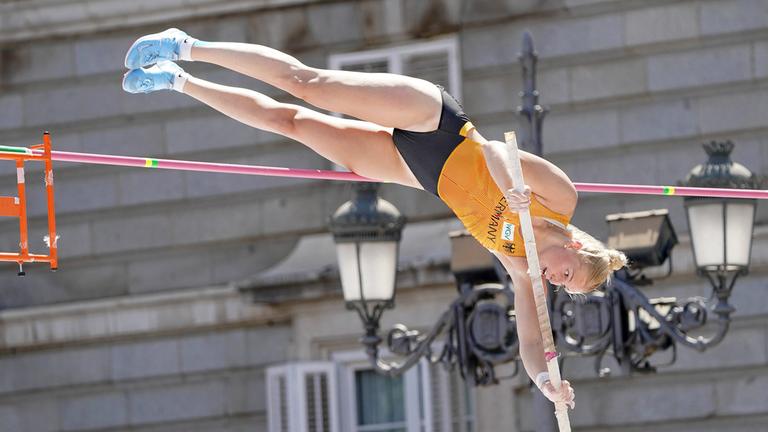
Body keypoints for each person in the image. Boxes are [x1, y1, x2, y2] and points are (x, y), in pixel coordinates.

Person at [123, 28, 627, 409]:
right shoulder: (561, 200)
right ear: (578, 247)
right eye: (566, 274)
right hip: (438, 124)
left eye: (562, 287)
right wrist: (513, 189)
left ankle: (177, 81)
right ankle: (187, 47)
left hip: (417, 172)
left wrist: (547, 384)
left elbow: (533, 344)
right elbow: (498, 150)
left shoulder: (522, 266)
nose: (554, 281)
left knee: (293, 123)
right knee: (309, 85)